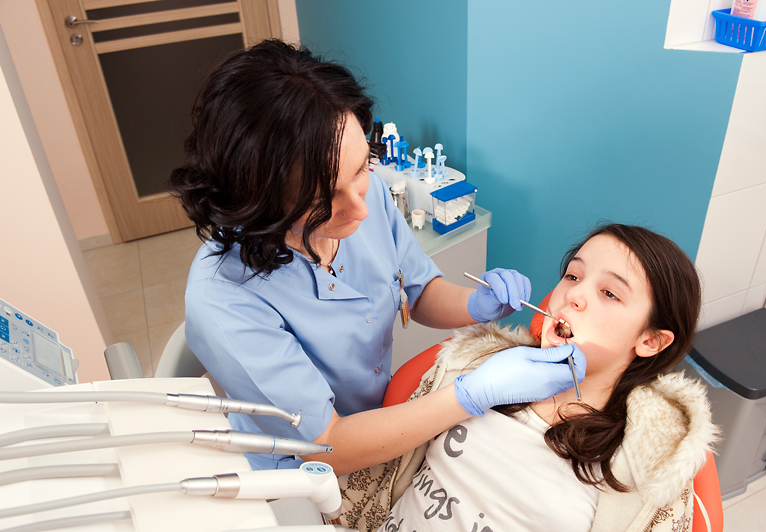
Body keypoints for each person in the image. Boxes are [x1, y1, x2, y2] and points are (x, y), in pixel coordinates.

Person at [169, 39, 586, 473]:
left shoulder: (367, 197)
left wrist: (477, 305)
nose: (361, 210)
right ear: (260, 203)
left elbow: (419, 291)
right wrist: (472, 396)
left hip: (383, 418)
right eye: (323, 201)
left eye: (360, 169)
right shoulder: (224, 299)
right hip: (303, 471)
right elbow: (327, 444)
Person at [337, 223, 717, 532]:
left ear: (650, 341)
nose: (573, 295)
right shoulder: (474, 365)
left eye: (609, 293)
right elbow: (366, 473)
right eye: (573, 275)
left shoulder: (651, 461)